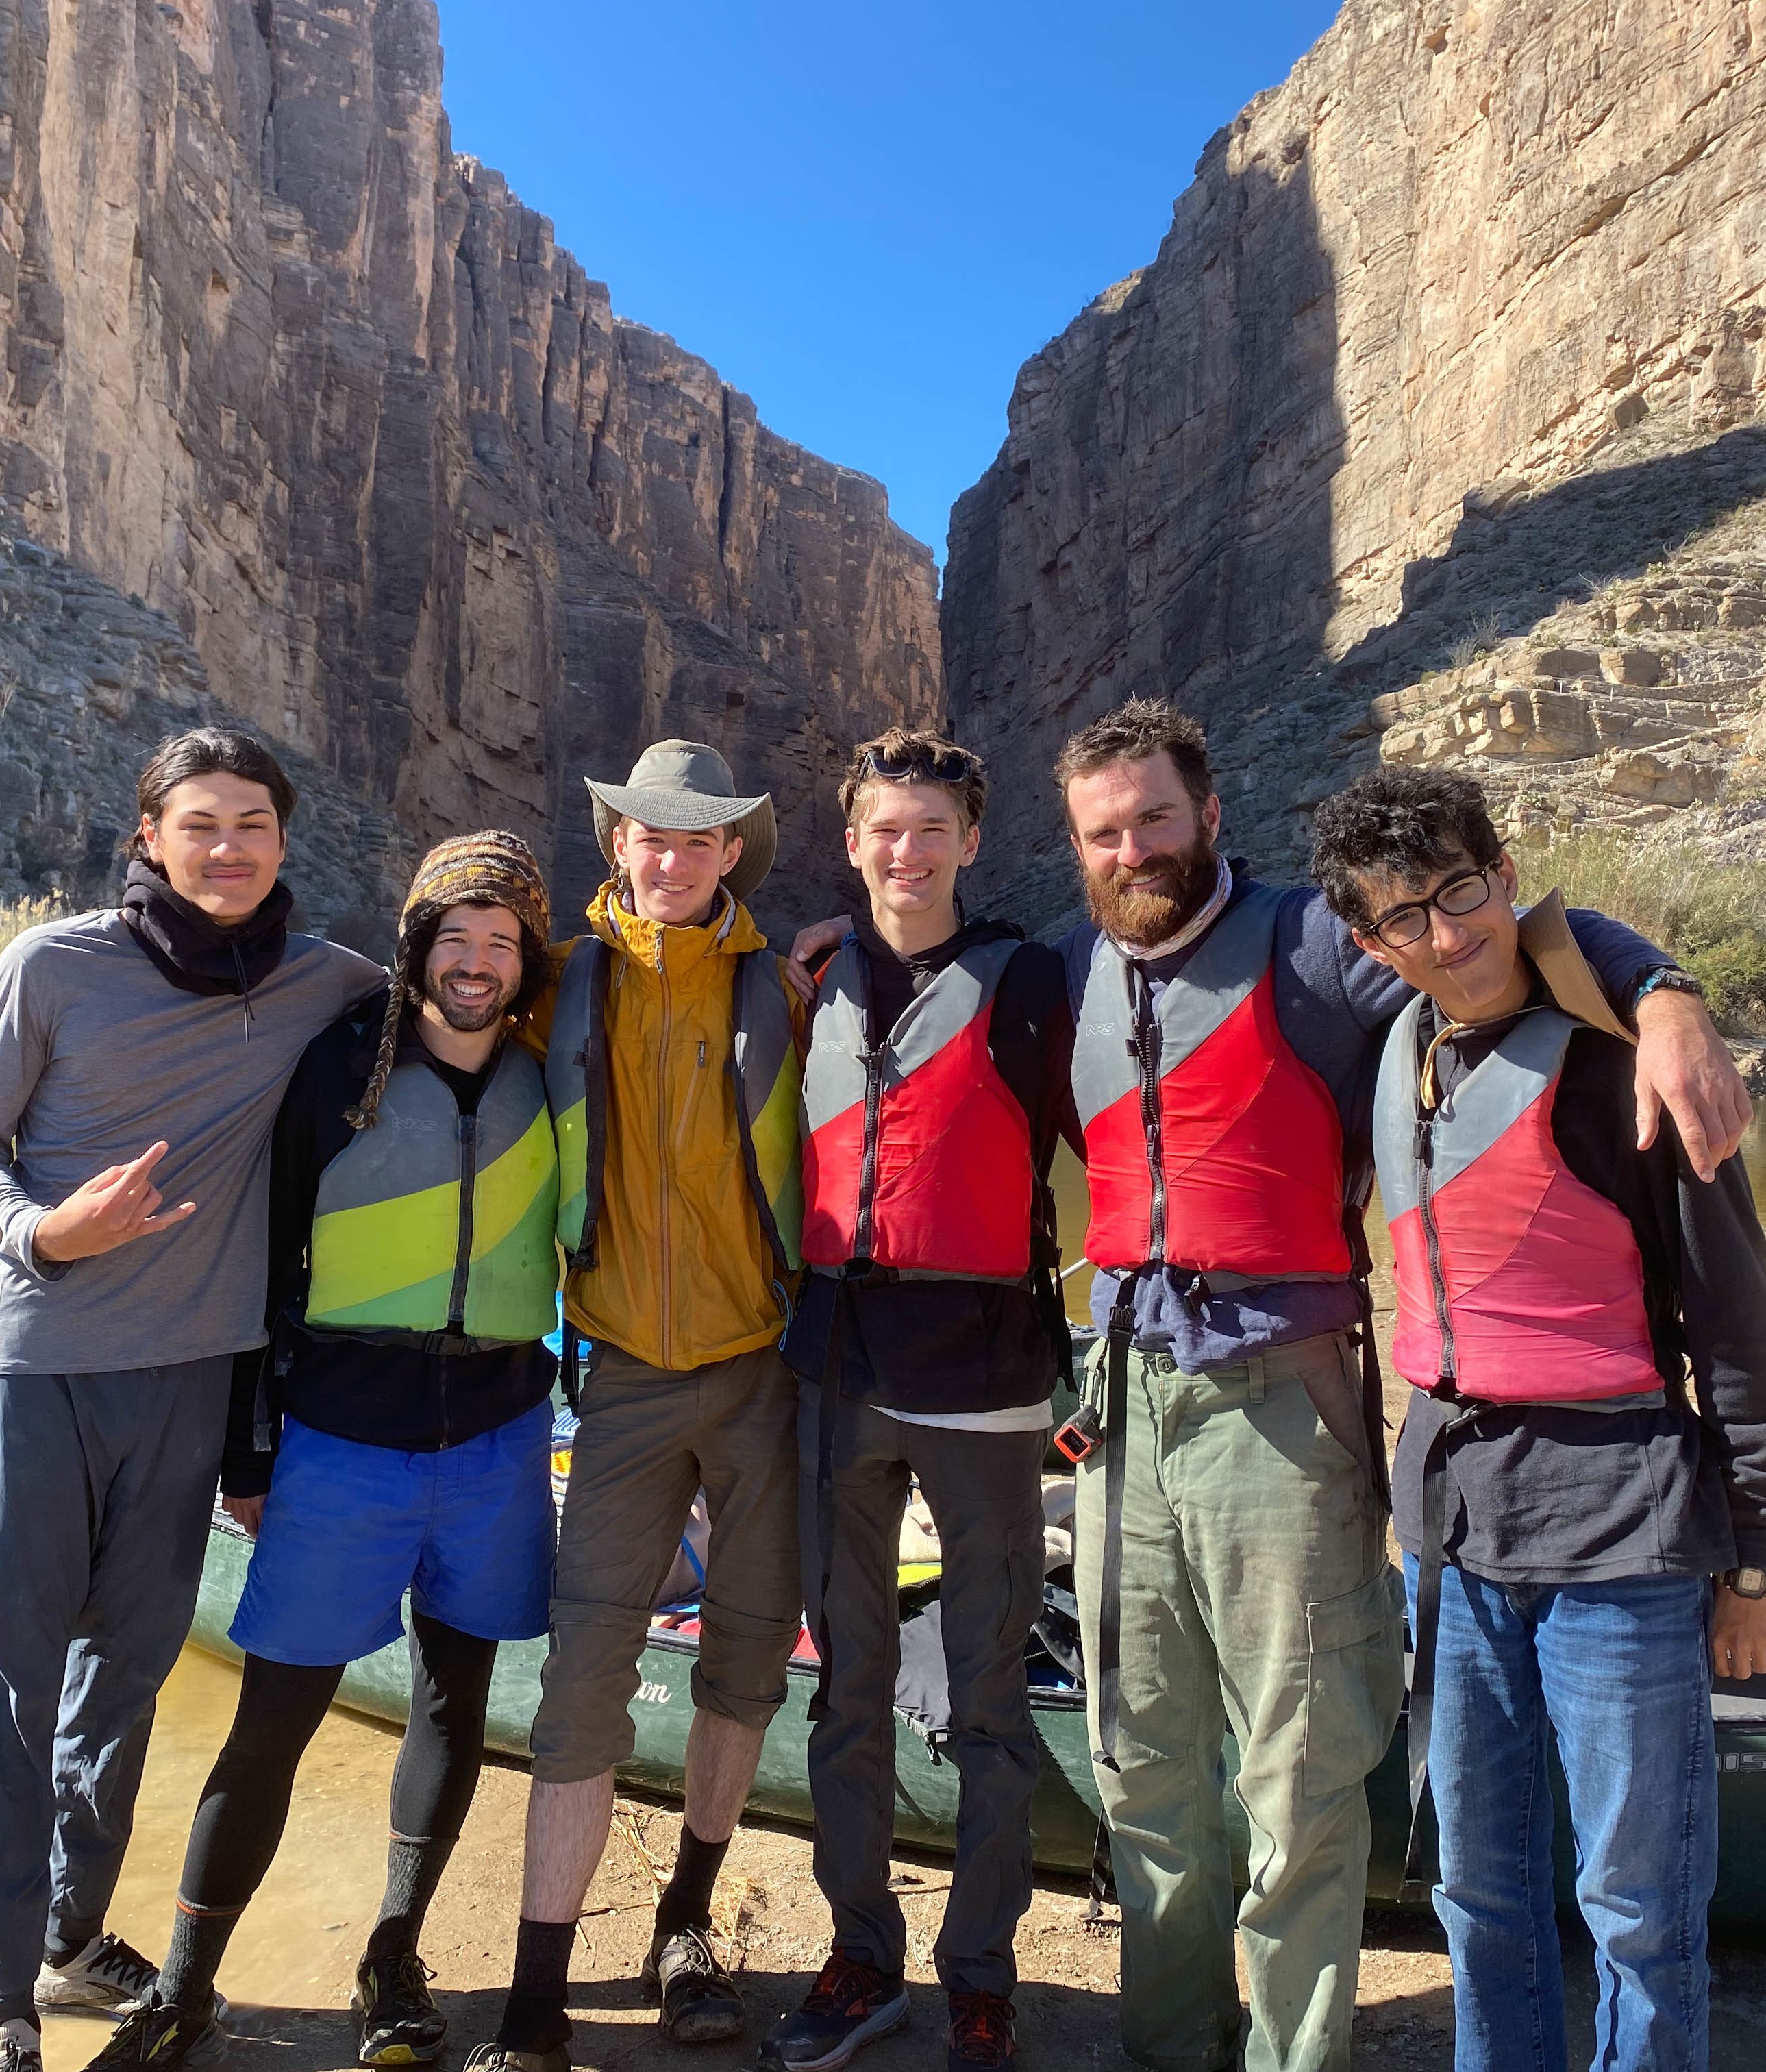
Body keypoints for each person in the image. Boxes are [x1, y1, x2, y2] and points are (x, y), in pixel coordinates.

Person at [1049, 700, 1750, 2072]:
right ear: (1075, 850)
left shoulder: (1325, 950)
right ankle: (1169, 2044)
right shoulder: (1060, 970)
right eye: (1103, 831)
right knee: (1141, 1764)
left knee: (1301, 1782)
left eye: (1154, 818)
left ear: (1207, 817)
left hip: (1281, 1398)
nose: (1132, 848)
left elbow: (1513, 939)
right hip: (1126, 1408)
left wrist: (1666, 996)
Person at [1310, 768, 1766, 2072]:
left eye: (1462, 892)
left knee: (1638, 1908)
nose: (1445, 933)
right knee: (1479, 1888)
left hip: (1624, 1525)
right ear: (1371, 944)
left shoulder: (1621, 1069)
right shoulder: (1392, 1044)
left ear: (1506, 876)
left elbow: (1743, 1332)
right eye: (1402, 917)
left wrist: (1759, 1559)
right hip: (1455, 1524)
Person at [0, 728, 382, 2072]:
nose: (228, 848)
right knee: (12, 1690)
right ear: (150, 838)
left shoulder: (326, 982)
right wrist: (43, 1231)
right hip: (33, 1372)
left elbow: (478, 990)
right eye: (200, 824)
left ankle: (71, 1937)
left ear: (284, 842)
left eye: (253, 824)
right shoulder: (52, 966)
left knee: (120, 1685)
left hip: (190, 1387)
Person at [82, 832, 567, 2071]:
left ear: (526, 962)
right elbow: (259, 1264)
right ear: (414, 949)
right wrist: (249, 1452)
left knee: (456, 1703)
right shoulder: (337, 1071)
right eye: (452, 938)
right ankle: (185, 1985)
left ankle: (393, 1960)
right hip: (343, 1444)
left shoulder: (548, 1077)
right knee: (274, 1722)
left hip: (501, 1439)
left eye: (500, 941)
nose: (475, 961)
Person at [469, 741, 810, 2072]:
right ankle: (536, 1998)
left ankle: (683, 1923)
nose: (666, 859)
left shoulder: (782, 989)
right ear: (616, 842)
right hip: (615, 1378)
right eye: (644, 836)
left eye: (694, 839)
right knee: (583, 1685)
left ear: (730, 853)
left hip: (761, 1375)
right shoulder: (554, 988)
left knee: (742, 1661)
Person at [759, 730, 1077, 2072]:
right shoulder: (814, 974)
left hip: (990, 1387)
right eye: (884, 829)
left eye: (930, 827)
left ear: (967, 840)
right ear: (854, 844)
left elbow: (1118, 1154)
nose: (907, 851)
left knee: (992, 1699)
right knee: (848, 1696)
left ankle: (983, 1972)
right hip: (838, 1374)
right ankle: (861, 1958)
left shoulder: (1027, 979)